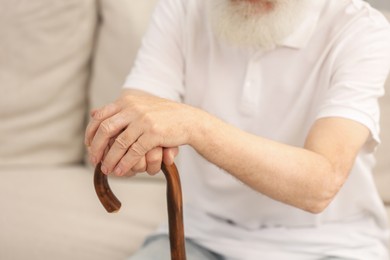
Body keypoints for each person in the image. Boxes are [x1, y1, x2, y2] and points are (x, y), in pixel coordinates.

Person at [85, 0, 390, 259]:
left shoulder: (361, 29)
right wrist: (133, 139)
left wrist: (194, 125)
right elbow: (141, 107)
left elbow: (320, 185)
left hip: (329, 245)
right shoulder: (183, 7)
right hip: (200, 233)